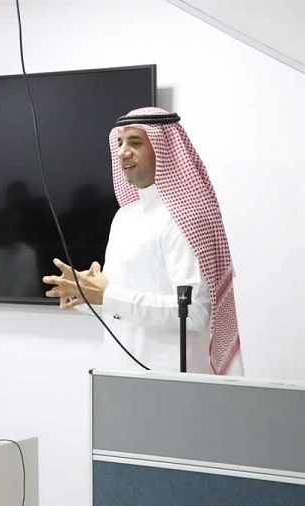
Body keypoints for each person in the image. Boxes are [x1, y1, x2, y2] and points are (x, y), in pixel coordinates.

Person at [42, 107, 243, 375]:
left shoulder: (184, 218)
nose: (122, 152)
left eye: (135, 143)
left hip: (171, 379)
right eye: (119, 143)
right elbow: (117, 306)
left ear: (164, 149)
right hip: (119, 375)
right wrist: (85, 296)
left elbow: (194, 313)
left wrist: (107, 295)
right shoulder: (124, 216)